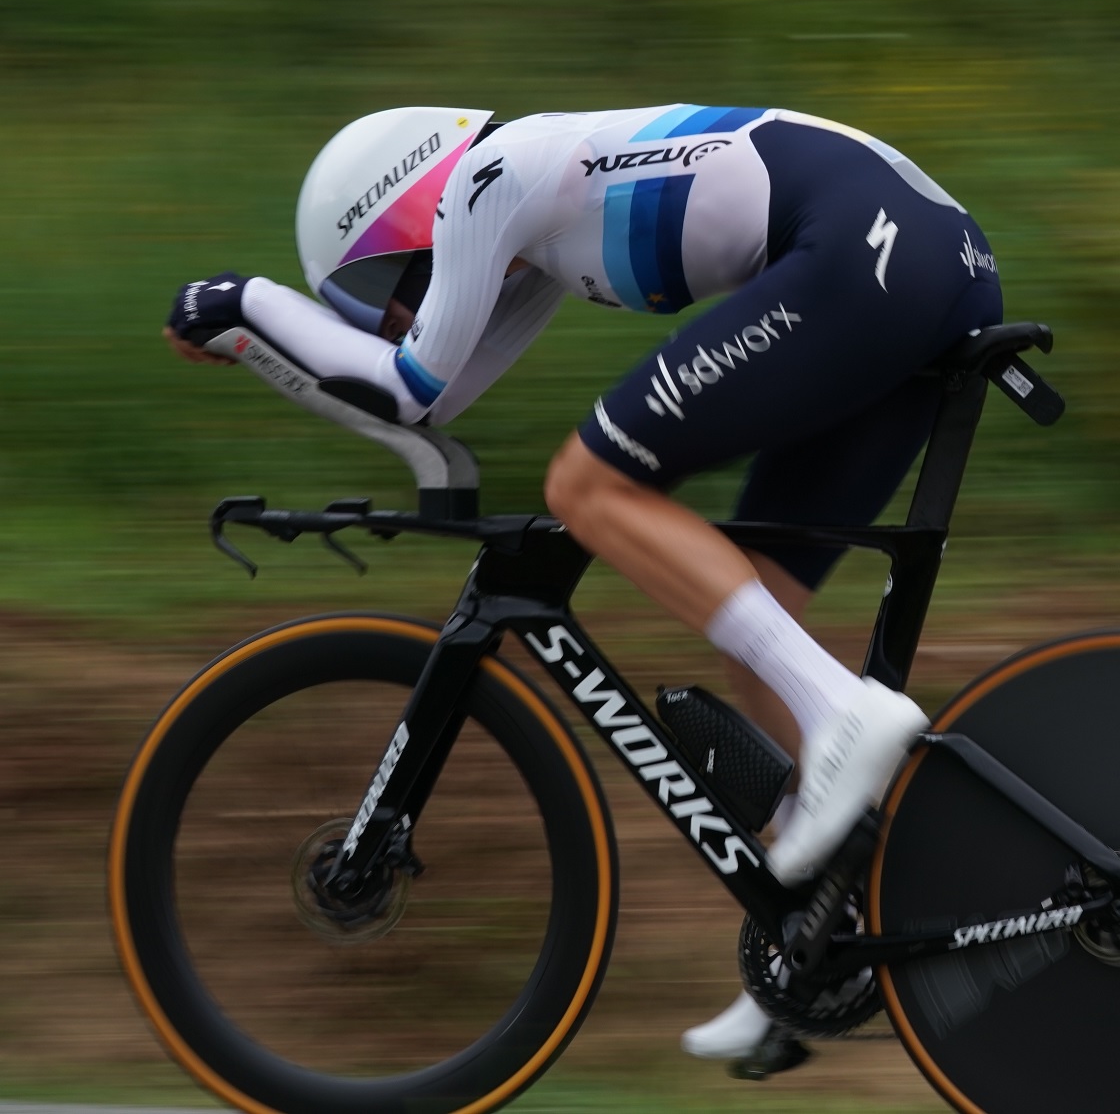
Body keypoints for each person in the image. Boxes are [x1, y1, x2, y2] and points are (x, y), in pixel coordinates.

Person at [161, 103, 1003, 1063]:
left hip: (865, 255)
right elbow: (431, 402)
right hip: (927, 259)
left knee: (586, 484)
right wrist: (269, 342)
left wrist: (243, 303)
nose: (387, 313)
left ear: (400, 216)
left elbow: (408, 386)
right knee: (757, 605)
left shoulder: (490, 178)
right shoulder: (533, 222)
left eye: (375, 288)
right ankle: (816, 942)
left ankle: (845, 715)